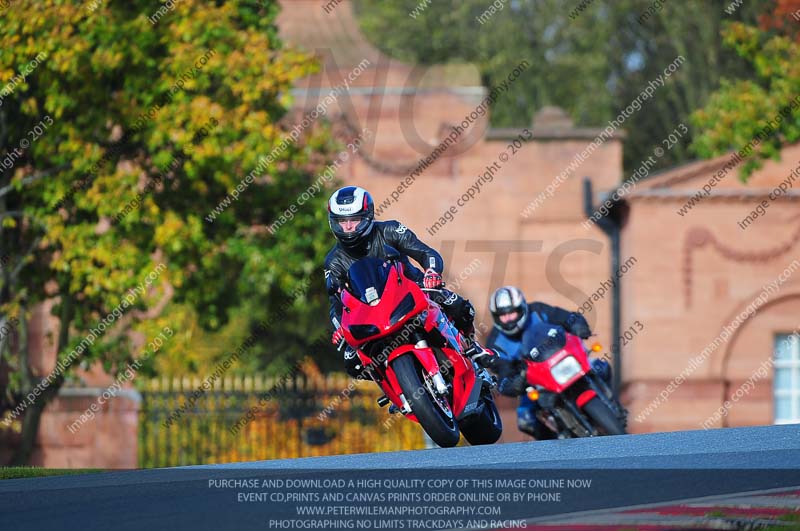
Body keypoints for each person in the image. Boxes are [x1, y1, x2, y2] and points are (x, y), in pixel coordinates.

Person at [324, 186, 494, 378]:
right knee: (353, 363)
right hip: (372, 315)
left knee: (457, 305)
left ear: (368, 216)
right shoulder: (333, 261)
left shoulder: (390, 229)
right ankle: (396, 391)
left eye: (354, 220)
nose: (348, 227)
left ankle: (472, 346)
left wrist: (431, 272)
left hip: (413, 290)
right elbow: (335, 302)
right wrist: (340, 328)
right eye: (342, 221)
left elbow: (426, 253)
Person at [483, 286, 612, 440]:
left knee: (601, 367)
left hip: (564, 362)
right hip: (535, 382)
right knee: (526, 419)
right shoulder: (495, 342)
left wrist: (579, 327)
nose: (509, 319)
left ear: (522, 307)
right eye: (503, 316)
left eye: (512, 312)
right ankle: (555, 450)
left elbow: (568, 318)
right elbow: (502, 374)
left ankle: (611, 403)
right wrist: (514, 383)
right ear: (496, 317)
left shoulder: (538, 311)